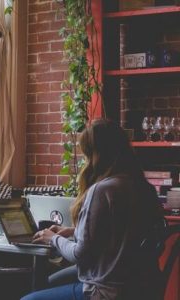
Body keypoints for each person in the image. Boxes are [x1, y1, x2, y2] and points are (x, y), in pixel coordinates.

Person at [21, 119, 164, 300]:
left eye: (87, 153)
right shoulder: (144, 187)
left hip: (107, 291)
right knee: (48, 282)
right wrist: (73, 231)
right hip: (140, 287)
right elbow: (122, 233)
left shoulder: (103, 190)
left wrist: (53, 239)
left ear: (98, 154)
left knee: (29, 298)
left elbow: (80, 255)